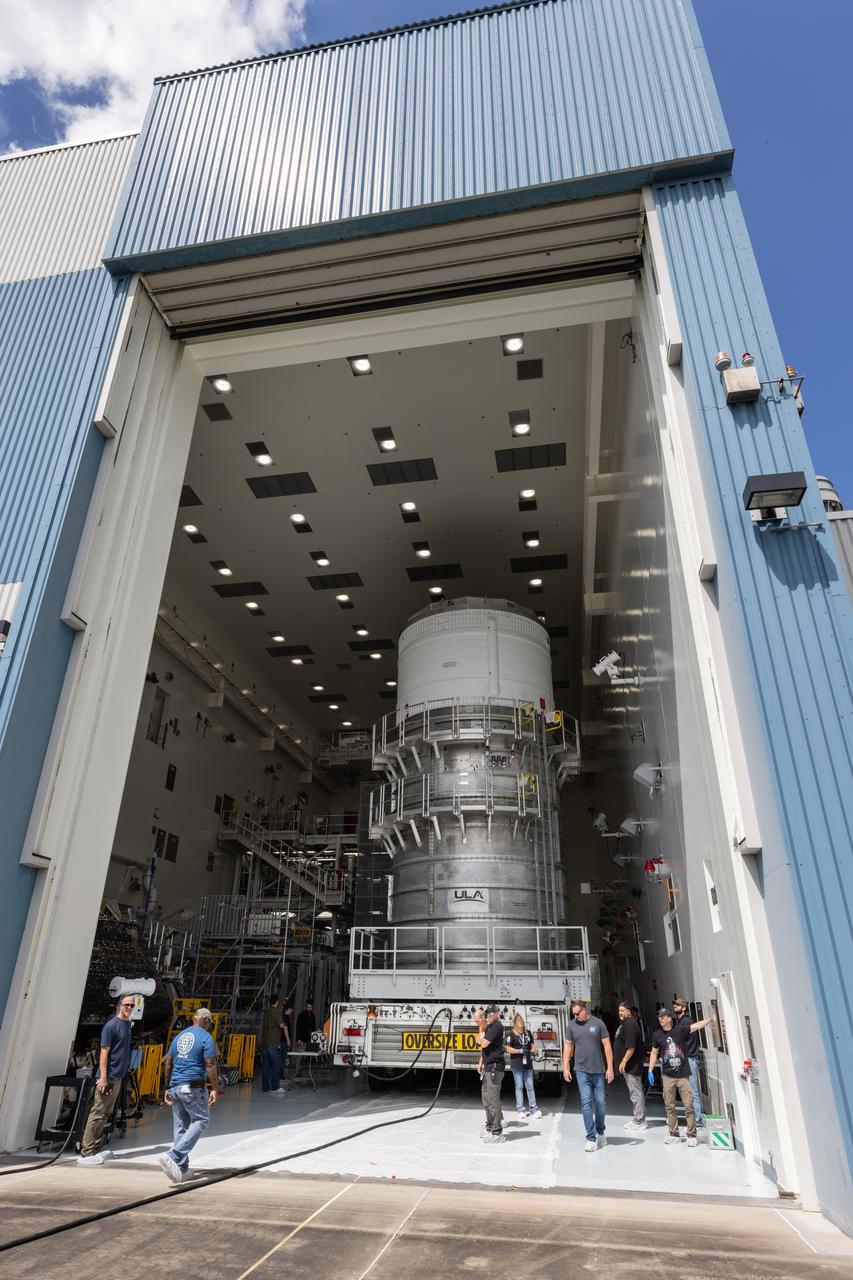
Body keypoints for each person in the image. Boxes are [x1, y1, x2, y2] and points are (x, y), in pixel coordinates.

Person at [160, 1007, 218, 1183]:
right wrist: (214, 1087)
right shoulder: (206, 1037)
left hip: (176, 1086)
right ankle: (174, 1155)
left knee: (181, 1127)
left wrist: (167, 1087)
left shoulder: (178, 1037)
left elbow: (168, 1063)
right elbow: (209, 1064)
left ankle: (182, 1169)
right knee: (201, 1120)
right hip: (193, 1086)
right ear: (206, 1021)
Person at [77, 994, 136, 1166]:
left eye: (132, 1005)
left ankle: (96, 1148)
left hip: (117, 1076)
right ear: (120, 1005)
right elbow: (104, 1052)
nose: (130, 1008)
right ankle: (86, 1152)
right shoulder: (112, 1025)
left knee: (107, 1113)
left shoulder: (127, 1025)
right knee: (98, 1112)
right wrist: (103, 1077)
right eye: (127, 1005)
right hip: (108, 1076)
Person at [647, 1007, 710, 1146]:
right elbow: (653, 1053)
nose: (660, 1019)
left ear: (669, 1018)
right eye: (659, 1017)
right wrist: (650, 1070)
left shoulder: (680, 1030)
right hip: (667, 1076)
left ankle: (691, 1134)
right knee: (670, 1106)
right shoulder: (657, 1035)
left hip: (683, 1076)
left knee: (689, 1106)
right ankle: (674, 1133)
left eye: (663, 1017)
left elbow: (696, 1026)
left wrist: (710, 1019)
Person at [563, 999, 614, 1152]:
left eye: (578, 1013)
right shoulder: (571, 1026)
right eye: (574, 1014)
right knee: (586, 1103)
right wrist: (566, 1068)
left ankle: (600, 1131)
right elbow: (567, 1047)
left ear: (585, 1010)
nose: (576, 1016)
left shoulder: (598, 1024)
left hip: (598, 1071)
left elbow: (607, 1046)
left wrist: (610, 1068)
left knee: (600, 1104)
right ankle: (591, 1138)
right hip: (581, 1071)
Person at [614, 1000, 646, 1130]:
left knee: (635, 1093)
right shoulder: (627, 1024)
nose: (620, 1013)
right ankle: (639, 1118)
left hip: (632, 1066)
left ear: (628, 1011)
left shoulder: (630, 1024)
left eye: (622, 1011)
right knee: (636, 1092)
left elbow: (631, 1046)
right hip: (630, 1067)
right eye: (619, 1011)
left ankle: (639, 1121)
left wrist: (623, 1061)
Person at [476, 1004, 506, 1143]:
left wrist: (481, 1039)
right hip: (488, 1067)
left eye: (491, 1014)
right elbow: (482, 1045)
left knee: (493, 1099)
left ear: (497, 1013)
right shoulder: (489, 1027)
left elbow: (483, 1044)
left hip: (495, 1067)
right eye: (487, 1014)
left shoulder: (497, 1027)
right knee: (486, 1098)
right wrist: (481, 1062)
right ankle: (490, 1127)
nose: (489, 1016)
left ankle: (497, 1132)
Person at [672, 997, 703, 1129]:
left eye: (677, 1005)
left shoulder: (685, 1021)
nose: (675, 1006)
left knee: (693, 1091)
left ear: (684, 1008)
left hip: (689, 1059)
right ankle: (693, 1119)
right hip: (686, 1059)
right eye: (674, 1005)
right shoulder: (681, 1021)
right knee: (688, 1091)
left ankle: (698, 1122)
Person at [507, 1014, 541, 1119]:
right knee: (519, 1086)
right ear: (515, 1023)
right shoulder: (511, 1034)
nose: (520, 1022)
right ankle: (520, 1109)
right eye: (518, 1021)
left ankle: (533, 1109)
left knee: (530, 1086)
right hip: (516, 1064)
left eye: (521, 1020)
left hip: (528, 1064)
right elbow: (508, 1048)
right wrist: (519, 1051)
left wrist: (532, 1050)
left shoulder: (528, 1033)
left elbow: (532, 1045)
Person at [259, 994, 287, 1094]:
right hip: (273, 1043)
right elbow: (281, 1024)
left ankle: (265, 1087)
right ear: (276, 1002)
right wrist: (284, 1024)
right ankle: (275, 1087)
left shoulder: (266, 1012)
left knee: (266, 1066)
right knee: (276, 1065)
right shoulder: (275, 1011)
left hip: (264, 1043)